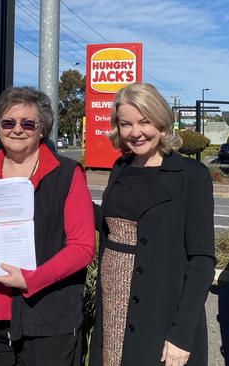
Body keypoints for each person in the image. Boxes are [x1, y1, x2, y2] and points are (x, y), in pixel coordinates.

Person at [89, 83, 215, 366]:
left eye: (144, 121)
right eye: (126, 124)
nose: (136, 132)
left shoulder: (191, 175)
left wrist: (181, 335)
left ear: (161, 122)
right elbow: (114, 225)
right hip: (113, 306)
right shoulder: (121, 168)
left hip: (160, 310)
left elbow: (202, 260)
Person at [0, 86, 95, 365]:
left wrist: (31, 279)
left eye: (28, 123)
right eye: (9, 122)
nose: (17, 129)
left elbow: (83, 247)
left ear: (42, 129)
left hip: (50, 320)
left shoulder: (66, 174)